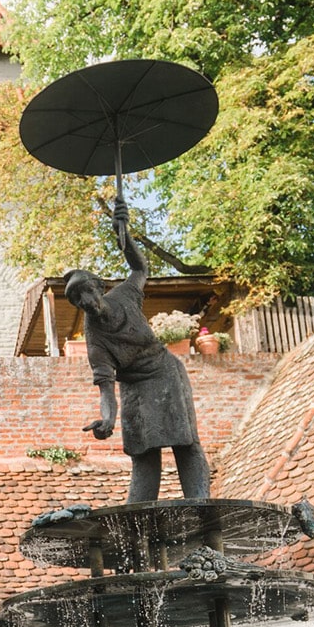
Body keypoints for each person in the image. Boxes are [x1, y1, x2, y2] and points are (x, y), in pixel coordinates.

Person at [66, 200, 210, 503]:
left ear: (98, 287)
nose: (85, 303)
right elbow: (106, 390)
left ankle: (200, 506)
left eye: (86, 293)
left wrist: (124, 234)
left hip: (165, 372)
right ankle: (137, 521)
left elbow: (139, 267)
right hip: (132, 386)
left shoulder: (125, 295)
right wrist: (107, 420)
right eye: (77, 301)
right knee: (143, 452)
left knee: (186, 441)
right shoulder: (95, 340)